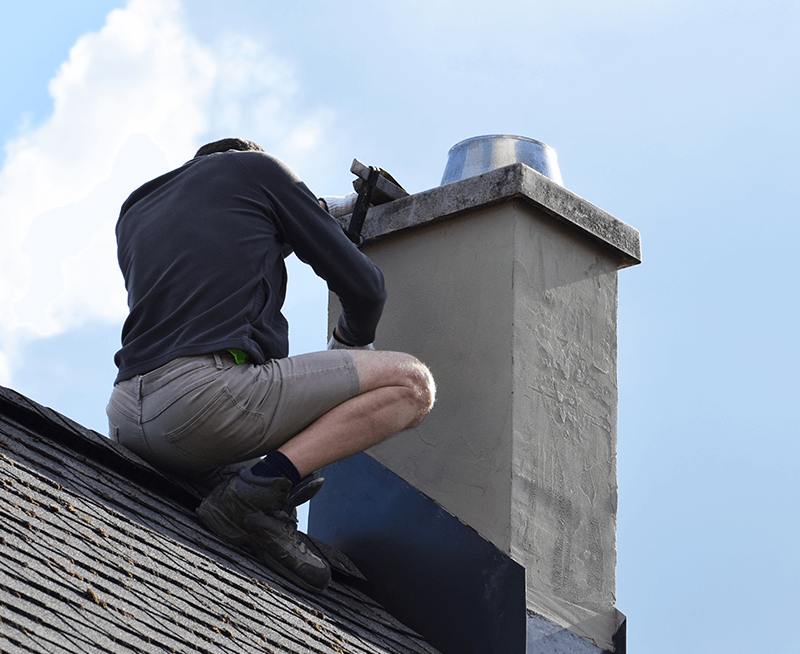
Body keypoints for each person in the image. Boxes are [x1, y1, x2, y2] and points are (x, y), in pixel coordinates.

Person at [106, 137, 435, 594]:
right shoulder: (256, 168)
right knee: (412, 386)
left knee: (278, 468)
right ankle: (258, 494)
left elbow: (217, 248)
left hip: (127, 417)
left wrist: (291, 222)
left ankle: (260, 496)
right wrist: (349, 348)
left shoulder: (138, 208)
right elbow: (365, 290)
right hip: (203, 404)